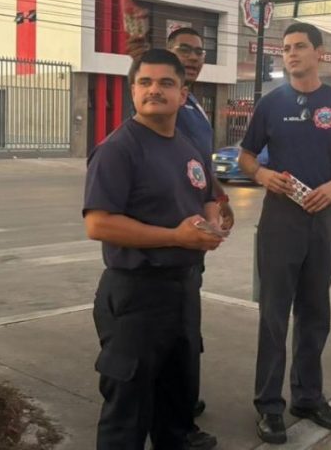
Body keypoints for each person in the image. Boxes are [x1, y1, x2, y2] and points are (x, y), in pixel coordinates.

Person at [83, 49, 225, 449]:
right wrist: (176, 237)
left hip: (182, 289)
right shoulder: (118, 149)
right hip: (136, 293)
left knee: (177, 395)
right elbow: (98, 224)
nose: (154, 90)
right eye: (145, 82)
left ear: (183, 94)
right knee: (127, 409)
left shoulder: (186, 146)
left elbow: (206, 193)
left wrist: (212, 220)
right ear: (132, 91)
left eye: (166, 83)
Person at [238, 23, 331, 444]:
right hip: (280, 220)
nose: (291, 54)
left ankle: (308, 397)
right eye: (286, 48)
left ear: (319, 52)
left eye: (299, 47)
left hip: (322, 219)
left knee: (315, 312)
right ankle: (269, 405)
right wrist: (263, 175)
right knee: (274, 315)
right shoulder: (270, 104)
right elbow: (245, 157)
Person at [167, 26, 229, 449]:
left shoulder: (194, 104)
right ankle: (175, 418)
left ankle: (181, 400)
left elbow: (200, 166)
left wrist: (219, 199)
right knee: (175, 325)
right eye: (184, 50)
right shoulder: (169, 104)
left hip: (196, 231)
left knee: (187, 322)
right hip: (173, 232)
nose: (193, 57)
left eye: (199, 52)